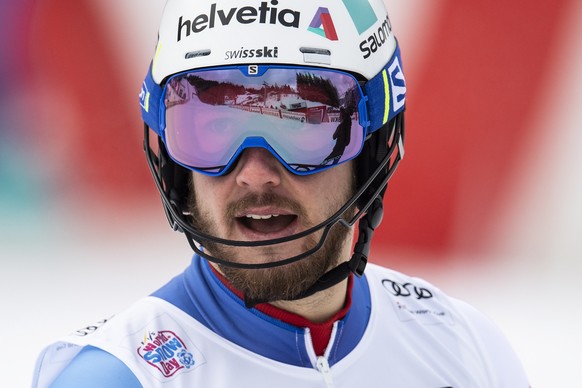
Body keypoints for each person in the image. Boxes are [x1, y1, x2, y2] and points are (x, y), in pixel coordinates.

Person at [33, 0, 529, 386]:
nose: (254, 174)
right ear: (173, 164)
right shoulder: (116, 379)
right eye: (213, 125)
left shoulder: (464, 348)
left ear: (374, 149)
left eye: (298, 121)